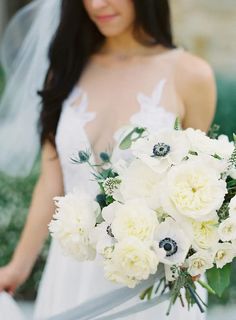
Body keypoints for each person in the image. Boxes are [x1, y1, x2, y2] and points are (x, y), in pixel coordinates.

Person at [0, 0, 216, 319]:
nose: (97, 4)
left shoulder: (191, 75)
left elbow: (200, 184)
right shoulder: (64, 71)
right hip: (71, 273)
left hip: (151, 281)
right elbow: (52, 182)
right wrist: (18, 267)